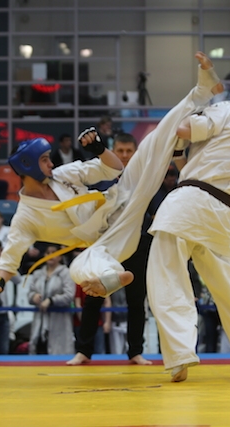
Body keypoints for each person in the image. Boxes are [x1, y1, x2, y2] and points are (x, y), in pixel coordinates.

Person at [0, 51, 223, 303]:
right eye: (44, 160)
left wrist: (100, 150)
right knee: (78, 266)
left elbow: (113, 169)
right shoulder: (25, 218)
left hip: (119, 202)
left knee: (153, 142)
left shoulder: (61, 175)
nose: (51, 163)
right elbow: (11, 254)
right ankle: (111, 276)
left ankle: (203, 89)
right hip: (109, 240)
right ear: (28, 168)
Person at [146, 96, 230, 382]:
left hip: (188, 203)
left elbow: (183, 128)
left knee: (166, 277)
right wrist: (180, 151)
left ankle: (180, 355)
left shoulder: (221, 113)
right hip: (220, 210)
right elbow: (190, 166)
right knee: (226, 286)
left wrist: (188, 109)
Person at [67, 133, 153, 366]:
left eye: (129, 151)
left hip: (136, 243)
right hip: (104, 243)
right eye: (120, 151)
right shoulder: (101, 175)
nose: (124, 155)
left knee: (136, 299)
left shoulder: (144, 177)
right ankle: (83, 351)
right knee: (93, 297)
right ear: (113, 151)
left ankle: (135, 351)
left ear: (135, 153)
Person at [27, 244, 75, 355]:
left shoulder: (66, 273)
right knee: (38, 352)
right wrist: (33, 297)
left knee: (59, 353)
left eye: (54, 253)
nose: (50, 255)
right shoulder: (38, 273)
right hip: (40, 320)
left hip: (59, 320)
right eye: (48, 253)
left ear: (60, 256)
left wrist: (51, 300)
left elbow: (69, 295)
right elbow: (30, 293)